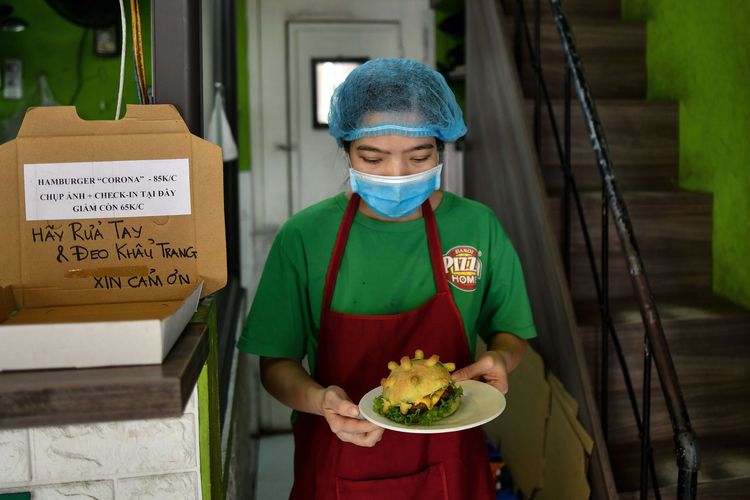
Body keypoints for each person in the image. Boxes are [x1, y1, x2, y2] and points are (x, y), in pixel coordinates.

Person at [237, 57, 537, 499]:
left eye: (419, 157)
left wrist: (502, 358)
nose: (397, 176)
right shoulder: (304, 237)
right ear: (345, 148)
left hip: (450, 461)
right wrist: (322, 402)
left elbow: (510, 330)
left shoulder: (477, 227)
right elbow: (275, 365)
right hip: (339, 456)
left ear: (442, 149)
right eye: (372, 158)